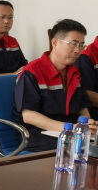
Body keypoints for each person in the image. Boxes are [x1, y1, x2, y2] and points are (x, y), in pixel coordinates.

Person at [12, 19, 93, 152]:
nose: (77, 50)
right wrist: (70, 128)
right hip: (36, 133)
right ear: (54, 42)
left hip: (68, 130)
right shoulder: (32, 72)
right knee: (73, 147)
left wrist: (86, 124)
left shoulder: (75, 72)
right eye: (73, 44)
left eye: (81, 45)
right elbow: (29, 116)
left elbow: (82, 106)